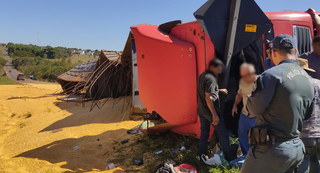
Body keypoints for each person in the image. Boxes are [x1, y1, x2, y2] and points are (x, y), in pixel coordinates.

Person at [241, 34, 315, 173]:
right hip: (296, 148)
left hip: (271, 150)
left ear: (273, 52)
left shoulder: (270, 75)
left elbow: (253, 109)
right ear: (296, 50)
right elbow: (307, 114)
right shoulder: (308, 79)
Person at [197, 58, 235, 164]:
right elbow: (208, 97)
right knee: (222, 134)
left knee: (204, 133)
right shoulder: (212, 79)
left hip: (201, 110)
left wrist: (219, 90)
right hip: (210, 112)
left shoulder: (202, 75)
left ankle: (201, 155)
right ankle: (229, 157)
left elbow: (207, 91)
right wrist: (215, 115)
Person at [296, 58, 320, 173]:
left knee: (302, 162)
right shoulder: (319, 83)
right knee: (317, 162)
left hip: (303, 134)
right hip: (319, 133)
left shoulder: (296, 86)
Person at [231, 63, 257, 156]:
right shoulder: (242, 82)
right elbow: (239, 94)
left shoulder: (261, 81)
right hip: (245, 114)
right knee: (242, 134)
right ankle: (246, 155)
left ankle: (257, 156)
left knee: (257, 137)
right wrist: (234, 105)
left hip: (257, 116)